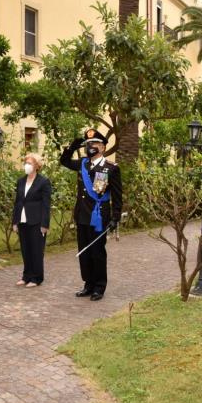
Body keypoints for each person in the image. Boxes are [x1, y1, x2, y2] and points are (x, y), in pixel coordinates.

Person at [60, 128, 122, 301]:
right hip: (82, 215)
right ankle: (88, 284)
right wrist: (72, 146)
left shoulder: (111, 168)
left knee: (97, 252)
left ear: (102, 147)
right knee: (84, 252)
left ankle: (99, 287)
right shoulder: (82, 164)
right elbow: (64, 161)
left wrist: (115, 217)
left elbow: (117, 196)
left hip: (99, 217)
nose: (90, 147)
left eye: (94, 143)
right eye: (88, 144)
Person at [11, 153, 52, 287]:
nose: (27, 165)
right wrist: (15, 221)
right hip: (22, 220)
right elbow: (17, 202)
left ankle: (36, 278)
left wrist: (45, 224)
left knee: (36, 250)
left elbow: (46, 205)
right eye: (26, 162)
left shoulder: (44, 182)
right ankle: (26, 276)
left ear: (37, 166)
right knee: (25, 249)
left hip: (37, 221)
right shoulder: (21, 181)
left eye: (30, 163)